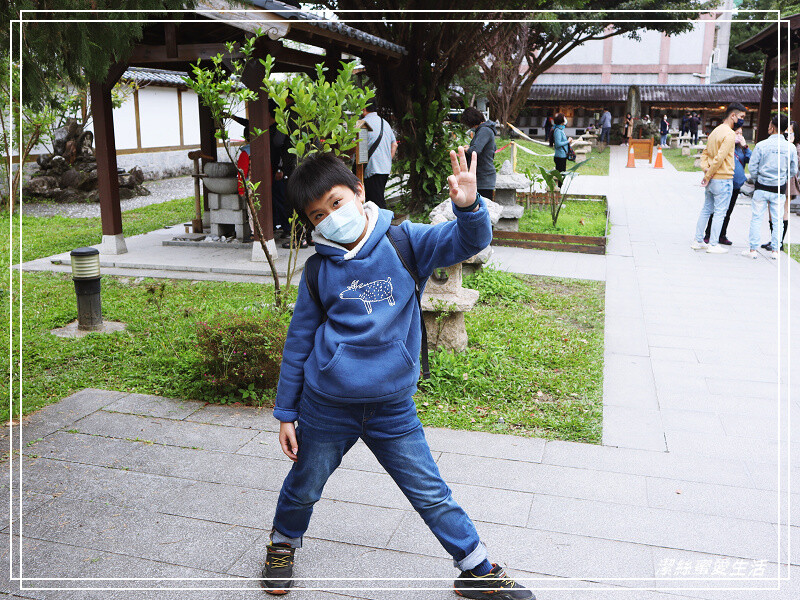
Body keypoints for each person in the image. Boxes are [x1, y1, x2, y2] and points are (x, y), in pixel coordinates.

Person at [260, 148, 534, 600]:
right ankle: (282, 544)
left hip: (392, 407)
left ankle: (476, 569)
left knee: (429, 490)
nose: (331, 217)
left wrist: (469, 207)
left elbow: (467, 242)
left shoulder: (405, 241)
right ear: (311, 224)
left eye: (336, 202)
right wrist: (287, 412)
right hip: (327, 405)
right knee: (305, 484)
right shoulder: (317, 272)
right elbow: (298, 343)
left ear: (359, 191)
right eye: (317, 214)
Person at [691, 102, 747, 254]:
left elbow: (706, 154)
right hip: (723, 178)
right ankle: (713, 244)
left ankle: (698, 240)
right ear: (733, 115)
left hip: (712, 178)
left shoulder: (715, 131)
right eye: (741, 117)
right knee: (720, 212)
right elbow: (720, 158)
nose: (742, 120)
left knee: (706, 209)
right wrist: (708, 175)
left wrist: (706, 172)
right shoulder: (729, 134)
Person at [743, 113, 798, 259]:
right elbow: (793, 170)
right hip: (779, 187)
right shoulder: (790, 147)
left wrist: (757, 179)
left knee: (756, 218)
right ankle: (775, 251)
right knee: (778, 219)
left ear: (772, 127)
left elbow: (753, 167)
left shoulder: (761, 145)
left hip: (761, 186)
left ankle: (753, 250)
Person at [704, 123, 750, 245]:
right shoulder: (727, 146)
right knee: (716, 210)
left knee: (728, 212)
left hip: (736, 184)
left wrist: (745, 146)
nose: (739, 136)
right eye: (737, 133)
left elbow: (750, 159)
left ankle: (722, 235)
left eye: (741, 133)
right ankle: (709, 234)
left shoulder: (741, 149)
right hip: (724, 180)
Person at [361, 100, 398, 210]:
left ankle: (385, 225)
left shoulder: (363, 123)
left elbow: (359, 147)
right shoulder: (384, 122)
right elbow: (394, 144)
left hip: (372, 168)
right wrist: (387, 160)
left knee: (375, 203)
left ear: (363, 109)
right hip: (384, 168)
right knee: (378, 197)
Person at [461, 106, 498, 200]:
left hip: (483, 179)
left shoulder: (484, 130)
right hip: (482, 177)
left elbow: (476, 150)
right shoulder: (485, 130)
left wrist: (466, 149)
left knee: (482, 209)